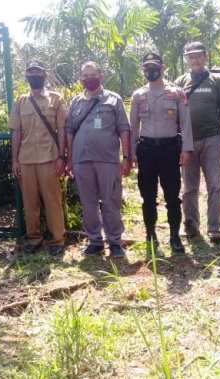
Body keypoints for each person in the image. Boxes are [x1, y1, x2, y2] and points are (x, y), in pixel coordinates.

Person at [65, 61, 132, 258]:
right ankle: (95, 240)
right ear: (80, 79)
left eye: (92, 75)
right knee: (88, 203)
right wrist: (69, 159)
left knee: (111, 201)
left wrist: (126, 158)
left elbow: (124, 129)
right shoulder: (76, 102)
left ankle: (115, 242)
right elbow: (69, 131)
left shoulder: (113, 99)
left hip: (108, 160)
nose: (89, 79)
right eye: (85, 76)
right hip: (81, 160)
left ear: (101, 76)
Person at [129, 52, 193, 254]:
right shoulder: (138, 95)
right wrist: (131, 152)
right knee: (148, 195)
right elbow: (133, 126)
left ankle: (174, 235)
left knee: (172, 195)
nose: (151, 71)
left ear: (163, 68)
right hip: (146, 150)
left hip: (170, 149)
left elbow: (185, 122)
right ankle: (150, 234)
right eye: (147, 68)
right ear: (143, 71)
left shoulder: (176, 93)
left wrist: (186, 149)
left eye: (154, 67)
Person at [173, 42, 220, 244]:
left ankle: (214, 228)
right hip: (188, 142)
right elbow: (174, 114)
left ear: (206, 56)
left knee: (214, 184)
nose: (195, 60)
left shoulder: (217, 80)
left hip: (212, 138)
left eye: (198, 56)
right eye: (191, 57)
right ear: (186, 59)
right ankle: (191, 226)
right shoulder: (180, 82)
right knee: (189, 187)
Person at [8, 60, 68, 256]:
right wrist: (14, 160)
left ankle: (57, 239)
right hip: (25, 160)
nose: (34, 75)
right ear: (27, 76)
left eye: (38, 72)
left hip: (49, 158)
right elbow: (16, 132)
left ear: (45, 75)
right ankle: (34, 238)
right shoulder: (19, 102)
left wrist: (61, 157)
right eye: (31, 72)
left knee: (52, 200)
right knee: (29, 202)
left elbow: (62, 130)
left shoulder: (56, 99)